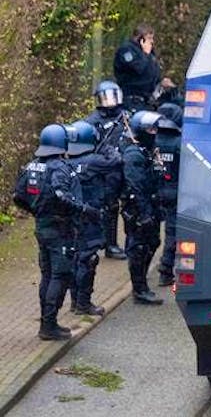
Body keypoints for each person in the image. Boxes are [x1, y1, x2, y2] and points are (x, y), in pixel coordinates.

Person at [14, 125, 97, 340]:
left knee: (47, 275)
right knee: (61, 275)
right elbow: (63, 197)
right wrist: (85, 210)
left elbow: (18, 196)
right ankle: (49, 325)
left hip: (42, 227)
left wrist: (37, 211)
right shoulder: (59, 168)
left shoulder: (32, 166)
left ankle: (47, 323)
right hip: (60, 229)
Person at [67, 120, 113, 316]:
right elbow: (115, 161)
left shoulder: (65, 162)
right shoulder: (93, 161)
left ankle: (75, 301)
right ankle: (83, 304)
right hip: (90, 218)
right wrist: (109, 148)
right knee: (88, 260)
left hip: (72, 218)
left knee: (75, 259)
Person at [122, 110, 165, 305]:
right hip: (138, 209)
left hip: (150, 205)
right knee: (138, 248)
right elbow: (135, 186)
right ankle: (139, 289)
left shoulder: (147, 151)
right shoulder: (133, 155)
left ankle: (141, 284)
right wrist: (144, 213)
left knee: (153, 242)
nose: (154, 132)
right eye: (150, 128)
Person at [85, 81, 128, 261]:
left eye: (112, 96)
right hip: (104, 170)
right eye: (105, 97)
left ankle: (119, 243)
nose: (109, 102)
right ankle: (107, 244)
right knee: (106, 207)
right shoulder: (92, 121)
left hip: (123, 167)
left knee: (124, 205)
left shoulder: (125, 116)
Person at [155, 103, 182, 287]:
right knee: (172, 233)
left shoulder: (152, 141)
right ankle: (165, 270)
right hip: (174, 193)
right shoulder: (180, 143)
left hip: (154, 193)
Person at [113, 24, 162, 112]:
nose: (152, 42)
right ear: (141, 39)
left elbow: (154, 74)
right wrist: (146, 54)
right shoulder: (127, 50)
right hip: (131, 99)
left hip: (147, 99)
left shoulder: (149, 53)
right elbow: (138, 68)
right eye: (149, 38)